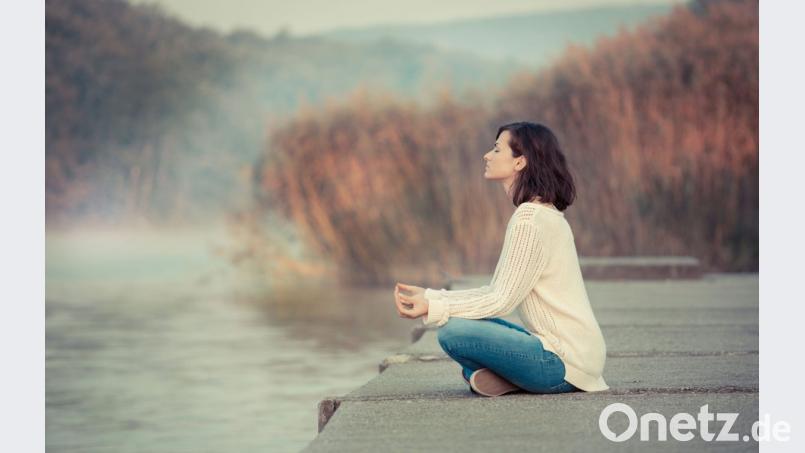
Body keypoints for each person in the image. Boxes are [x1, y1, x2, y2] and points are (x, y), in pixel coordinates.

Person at [393, 121, 609, 397]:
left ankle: (510, 376)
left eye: (496, 149)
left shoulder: (529, 220)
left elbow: (500, 301)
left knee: (452, 332)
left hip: (563, 363)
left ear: (520, 162)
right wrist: (432, 297)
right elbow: (497, 293)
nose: (487, 155)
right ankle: (507, 378)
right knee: (464, 323)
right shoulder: (543, 213)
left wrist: (431, 305)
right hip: (575, 356)